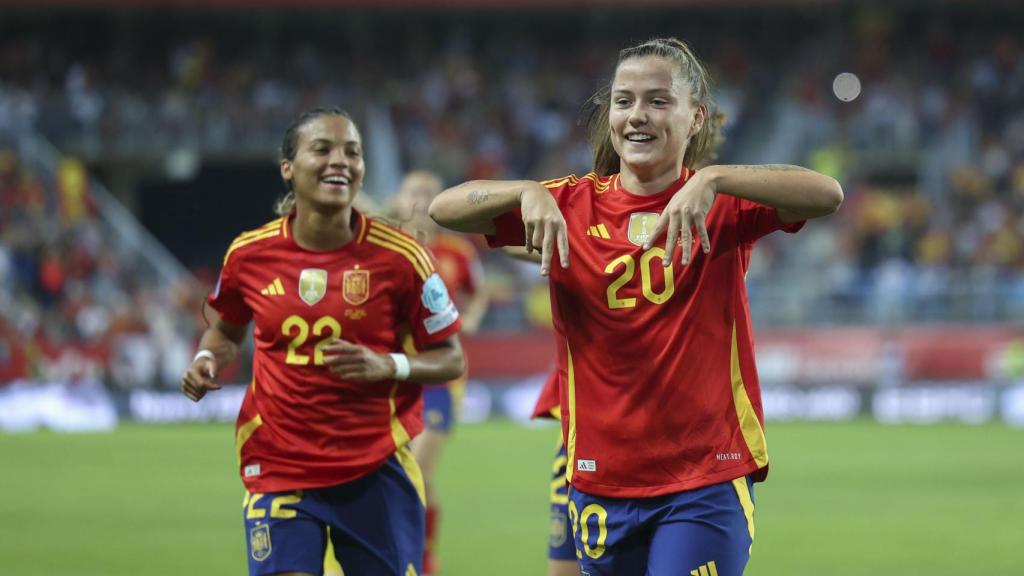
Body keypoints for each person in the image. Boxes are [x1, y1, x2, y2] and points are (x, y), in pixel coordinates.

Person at [428, 38, 842, 575]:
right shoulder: (570, 203)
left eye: (657, 101)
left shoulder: (722, 205)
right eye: (624, 101)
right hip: (601, 480)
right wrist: (526, 191)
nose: (637, 115)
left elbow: (826, 193)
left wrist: (714, 178)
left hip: (704, 478)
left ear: (696, 119)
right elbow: (445, 209)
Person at [181, 107, 465, 576]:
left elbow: (450, 359)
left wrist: (388, 365)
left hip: (375, 467)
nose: (341, 161)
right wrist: (209, 355)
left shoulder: (403, 258)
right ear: (288, 168)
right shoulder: (249, 255)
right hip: (279, 464)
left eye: (352, 152)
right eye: (322, 149)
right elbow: (227, 330)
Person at [391, 170, 490, 575]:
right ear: (399, 199)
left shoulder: (457, 251)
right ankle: (413, 552)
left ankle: (421, 559)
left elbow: (479, 290)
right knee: (404, 473)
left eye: (429, 193)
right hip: (393, 377)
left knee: (416, 469)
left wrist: (471, 317)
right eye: (413, 191)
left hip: (439, 378)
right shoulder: (387, 248)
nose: (420, 199)